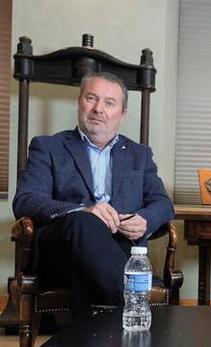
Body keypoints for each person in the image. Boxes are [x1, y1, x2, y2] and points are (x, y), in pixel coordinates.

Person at [13, 72, 174, 308]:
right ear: (79, 102)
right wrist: (84, 210)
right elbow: (26, 200)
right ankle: (134, 306)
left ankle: (89, 342)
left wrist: (145, 220)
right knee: (84, 223)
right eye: (91, 98)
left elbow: (163, 203)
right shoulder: (48, 147)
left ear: (122, 113)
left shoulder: (138, 154)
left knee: (87, 275)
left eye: (109, 103)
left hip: (119, 248)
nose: (98, 108)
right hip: (61, 250)